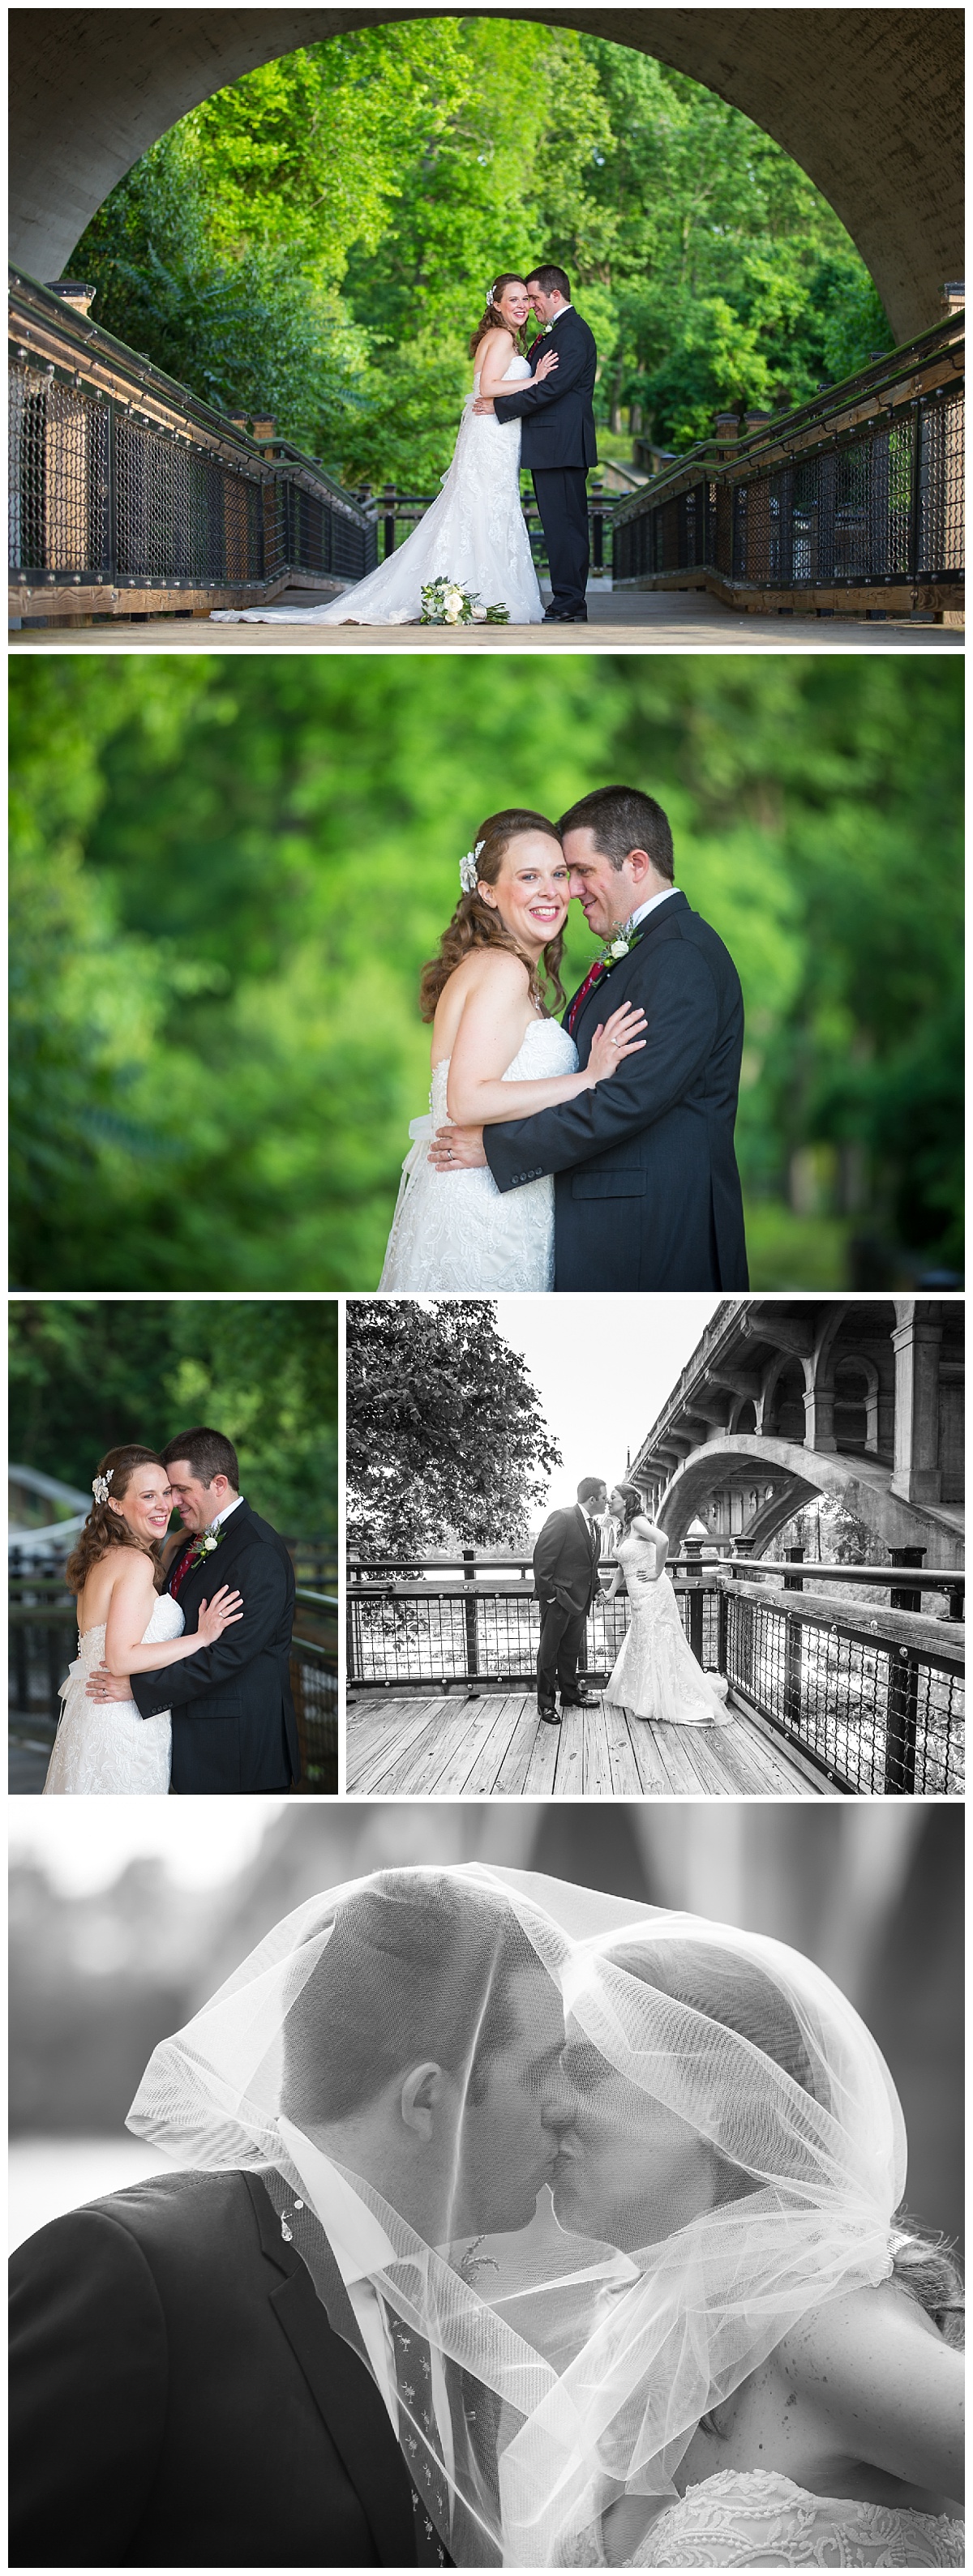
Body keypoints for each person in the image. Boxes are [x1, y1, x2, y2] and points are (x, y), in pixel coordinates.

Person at [9, 1866, 574, 2569]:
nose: (566, 2107)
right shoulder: (136, 2276)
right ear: (427, 2100)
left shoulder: (454, 2310)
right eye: (542, 2073)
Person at [524, 1919, 965, 2569]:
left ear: (724, 2099)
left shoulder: (820, 2321)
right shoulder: (654, 2329)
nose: (550, 2109)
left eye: (586, 2072)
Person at [427, 783, 749, 1293]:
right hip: (548, 1221)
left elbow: (627, 1098)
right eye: (548, 874)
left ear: (636, 865)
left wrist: (499, 1148)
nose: (568, 891)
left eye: (576, 872)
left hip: (653, 1236)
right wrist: (585, 1078)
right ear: (488, 890)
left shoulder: (680, 956)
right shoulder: (629, 953)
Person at [379, 811, 646, 1289]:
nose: (551, 891)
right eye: (528, 877)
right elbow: (468, 1100)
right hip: (486, 1211)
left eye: (559, 874)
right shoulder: (502, 971)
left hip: (498, 1194)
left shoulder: (498, 968)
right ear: (488, 892)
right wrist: (587, 1079)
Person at [209, 276, 552, 629]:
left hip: (495, 435)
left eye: (526, 298)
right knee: (483, 505)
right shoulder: (500, 337)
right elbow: (488, 387)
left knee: (484, 507)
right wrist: (536, 379)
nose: (522, 305)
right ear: (496, 305)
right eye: (513, 299)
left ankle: (469, 592)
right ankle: (472, 593)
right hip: (490, 436)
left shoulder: (503, 338)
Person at [84, 1427, 300, 1793]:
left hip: (236, 1751)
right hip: (189, 1740)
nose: (172, 1502)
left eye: (179, 1490)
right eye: (164, 1492)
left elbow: (229, 1654)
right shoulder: (187, 1543)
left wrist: (140, 1689)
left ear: (218, 1483)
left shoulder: (256, 1551)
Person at [42, 1444, 244, 1795]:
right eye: (148, 1496)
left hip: (97, 1715)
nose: (165, 1505)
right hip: (124, 1723)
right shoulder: (135, 1564)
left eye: (167, 1493)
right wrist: (201, 1637)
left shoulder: (104, 1557)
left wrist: (166, 1550)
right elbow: (121, 1658)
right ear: (116, 1504)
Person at [474, 263, 598, 623]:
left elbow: (551, 388)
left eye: (534, 298)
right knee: (559, 525)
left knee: (566, 527)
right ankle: (566, 600)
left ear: (555, 295)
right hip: (550, 445)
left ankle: (569, 603)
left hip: (561, 445)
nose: (531, 306)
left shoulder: (572, 333)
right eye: (523, 299)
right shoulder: (554, 333)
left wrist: (500, 407)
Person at [602, 1483, 730, 1727]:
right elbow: (622, 1567)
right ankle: (644, 1696)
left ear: (627, 1501)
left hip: (654, 1592)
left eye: (614, 1497)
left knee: (657, 1640)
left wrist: (657, 1571)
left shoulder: (638, 1521)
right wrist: (610, 1593)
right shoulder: (623, 1528)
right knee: (643, 1640)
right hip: (639, 1596)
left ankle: (656, 1701)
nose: (609, 1501)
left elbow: (663, 1540)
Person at [533, 1478, 609, 1722]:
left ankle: (570, 1694)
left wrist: (596, 1588)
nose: (607, 1501)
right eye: (604, 1497)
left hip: (580, 1600)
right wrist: (551, 1596)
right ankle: (545, 1704)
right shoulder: (562, 1518)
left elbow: (589, 1565)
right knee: (548, 1652)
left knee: (569, 1651)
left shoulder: (594, 1527)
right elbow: (542, 1560)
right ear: (592, 1499)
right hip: (559, 1599)